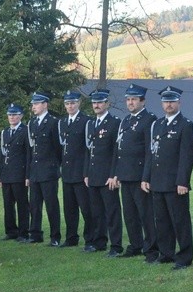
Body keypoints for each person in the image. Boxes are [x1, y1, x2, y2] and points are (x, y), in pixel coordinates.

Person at [141, 86, 193, 270]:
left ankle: (184, 256)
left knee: (180, 221)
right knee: (162, 221)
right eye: (166, 101)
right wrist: (146, 177)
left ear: (179, 102)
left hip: (175, 183)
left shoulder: (186, 125)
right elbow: (151, 153)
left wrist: (182, 181)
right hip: (157, 181)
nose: (169, 104)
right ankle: (166, 253)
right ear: (162, 103)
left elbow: (186, 157)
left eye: (172, 101)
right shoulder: (156, 125)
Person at [111, 83, 159, 261]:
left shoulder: (149, 120)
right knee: (130, 214)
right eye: (128, 99)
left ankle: (152, 249)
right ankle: (135, 245)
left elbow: (150, 151)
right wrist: (116, 173)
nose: (130, 103)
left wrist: (146, 176)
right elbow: (119, 149)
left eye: (134, 99)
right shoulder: (126, 120)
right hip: (125, 175)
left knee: (145, 214)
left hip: (140, 176)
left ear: (143, 101)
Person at [84, 89, 123, 257]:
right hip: (93, 175)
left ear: (107, 104)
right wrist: (86, 173)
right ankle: (99, 242)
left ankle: (116, 246)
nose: (96, 105)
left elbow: (117, 151)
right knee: (96, 212)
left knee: (112, 212)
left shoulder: (114, 123)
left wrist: (114, 175)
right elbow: (88, 151)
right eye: (94, 102)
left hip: (108, 176)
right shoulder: (91, 124)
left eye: (100, 102)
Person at [25, 91, 62, 246]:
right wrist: (28, 173)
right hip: (35, 171)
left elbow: (58, 148)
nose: (33, 106)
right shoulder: (32, 123)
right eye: (33, 104)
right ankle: (35, 233)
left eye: (36, 103)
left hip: (49, 170)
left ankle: (55, 237)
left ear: (45, 104)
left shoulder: (53, 122)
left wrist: (55, 166)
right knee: (34, 204)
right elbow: (30, 150)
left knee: (51, 205)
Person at [58, 90, 94, 248]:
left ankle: (90, 239)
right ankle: (71, 238)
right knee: (69, 209)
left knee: (87, 209)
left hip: (81, 172)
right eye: (67, 103)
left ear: (78, 103)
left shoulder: (86, 121)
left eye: (72, 103)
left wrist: (86, 172)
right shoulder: (63, 122)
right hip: (67, 172)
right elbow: (60, 147)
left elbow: (88, 149)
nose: (70, 106)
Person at [0, 103, 31, 242]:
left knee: (22, 204)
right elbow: (2, 155)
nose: (12, 117)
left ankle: (23, 233)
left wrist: (27, 175)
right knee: (8, 204)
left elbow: (29, 155)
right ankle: (11, 231)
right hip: (6, 175)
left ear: (21, 116)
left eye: (15, 114)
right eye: (10, 115)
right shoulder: (5, 132)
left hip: (19, 174)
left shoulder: (25, 131)